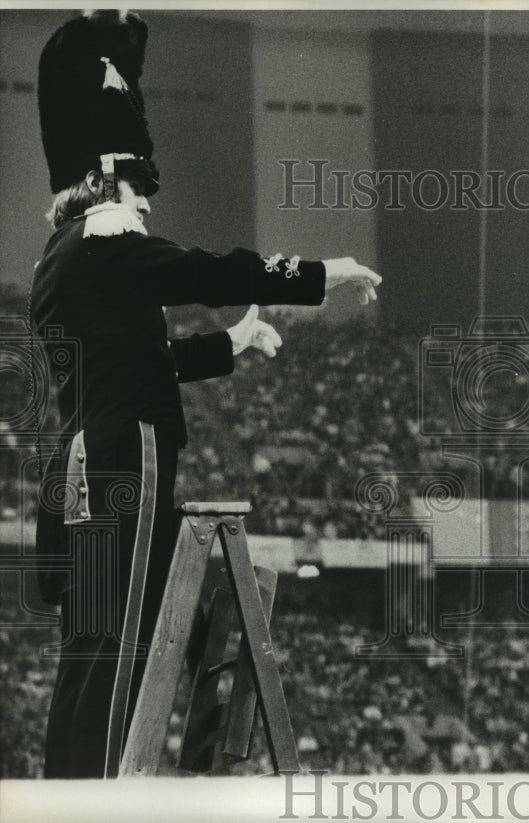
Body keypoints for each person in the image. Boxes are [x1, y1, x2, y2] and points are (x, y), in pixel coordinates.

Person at [31, 9, 382, 778]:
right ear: (100, 181)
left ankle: (77, 792)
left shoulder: (67, 259)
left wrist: (231, 343)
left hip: (92, 465)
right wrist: (317, 276)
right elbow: (204, 270)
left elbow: (138, 359)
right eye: (137, 182)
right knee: (118, 649)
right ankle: (95, 799)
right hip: (125, 460)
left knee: (101, 649)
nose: (147, 201)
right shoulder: (101, 239)